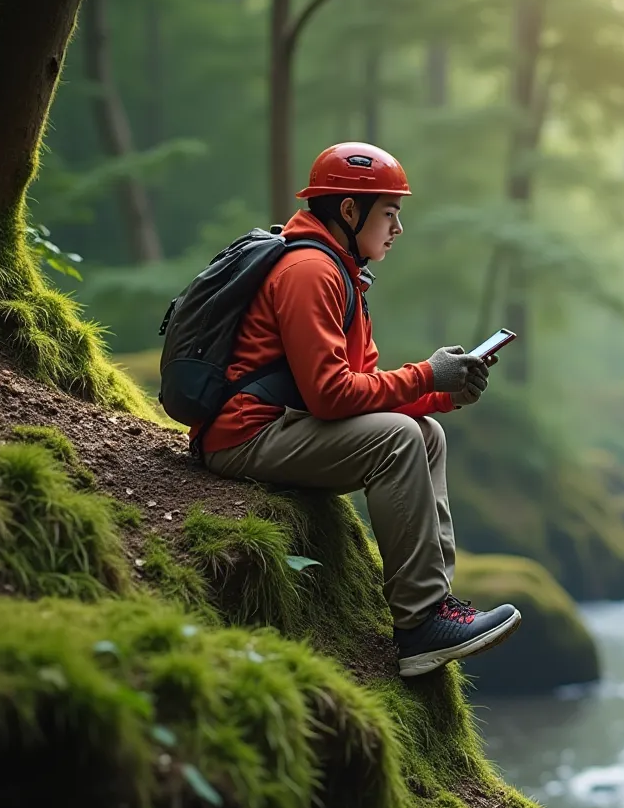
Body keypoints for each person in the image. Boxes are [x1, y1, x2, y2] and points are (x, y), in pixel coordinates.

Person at [197, 141, 521, 678]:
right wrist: (426, 373)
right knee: (396, 438)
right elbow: (330, 395)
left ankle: (437, 606)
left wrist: (444, 392)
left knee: (426, 432)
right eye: (389, 213)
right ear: (349, 211)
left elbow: (364, 384)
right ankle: (419, 626)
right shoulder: (309, 271)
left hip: (282, 426)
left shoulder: (341, 272)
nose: (397, 228)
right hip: (242, 436)